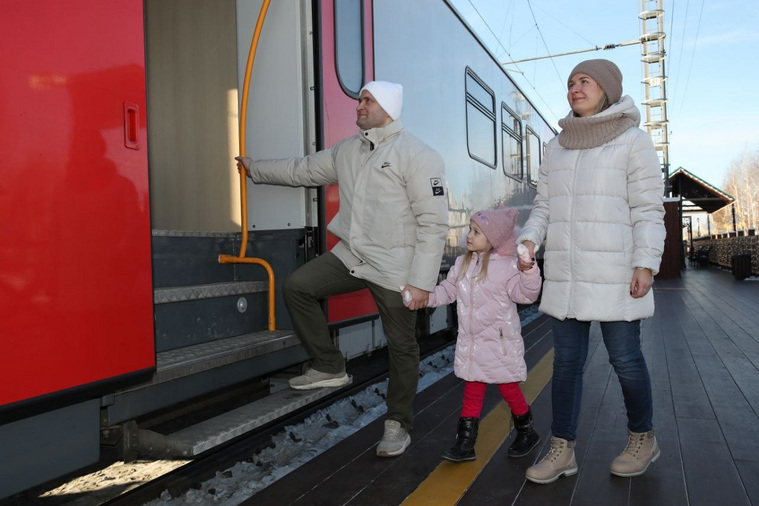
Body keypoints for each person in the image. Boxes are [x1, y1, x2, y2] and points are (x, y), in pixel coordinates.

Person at [236, 81, 449, 458]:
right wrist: (257, 170)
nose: (359, 106)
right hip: (352, 255)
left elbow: (433, 225)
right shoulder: (348, 150)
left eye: (368, 100)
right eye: (360, 99)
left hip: (395, 267)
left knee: (402, 346)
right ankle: (329, 365)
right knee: (297, 287)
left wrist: (421, 283)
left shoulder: (418, 155)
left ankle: (398, 424)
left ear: (388, 108)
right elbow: (303, 170)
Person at [516, 59, 666, 484]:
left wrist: (645, 263)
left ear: (607, 89)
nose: (574, 88)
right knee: (566, 364)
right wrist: (529, 240)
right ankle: (562, 449)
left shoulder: (633, 140)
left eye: (585, 81)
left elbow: (648, 210)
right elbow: (543, 207)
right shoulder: (557, 146)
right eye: (570, 82)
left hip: (617, 271)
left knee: (626, 360)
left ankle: (643, 438)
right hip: (567, 272)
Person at [423, 208, 542, 462]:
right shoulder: (463, 263)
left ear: (492, 240)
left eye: (476, 232)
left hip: (499, 344)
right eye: (470, 229)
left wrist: (529, 270)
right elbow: (449, 290)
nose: (468, 235)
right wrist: (428, 298)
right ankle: (465, 443)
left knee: (509, 388)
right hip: (473, 343)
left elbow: (526, 295)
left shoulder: (508, 267)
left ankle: (526, 430)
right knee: (472, 388)